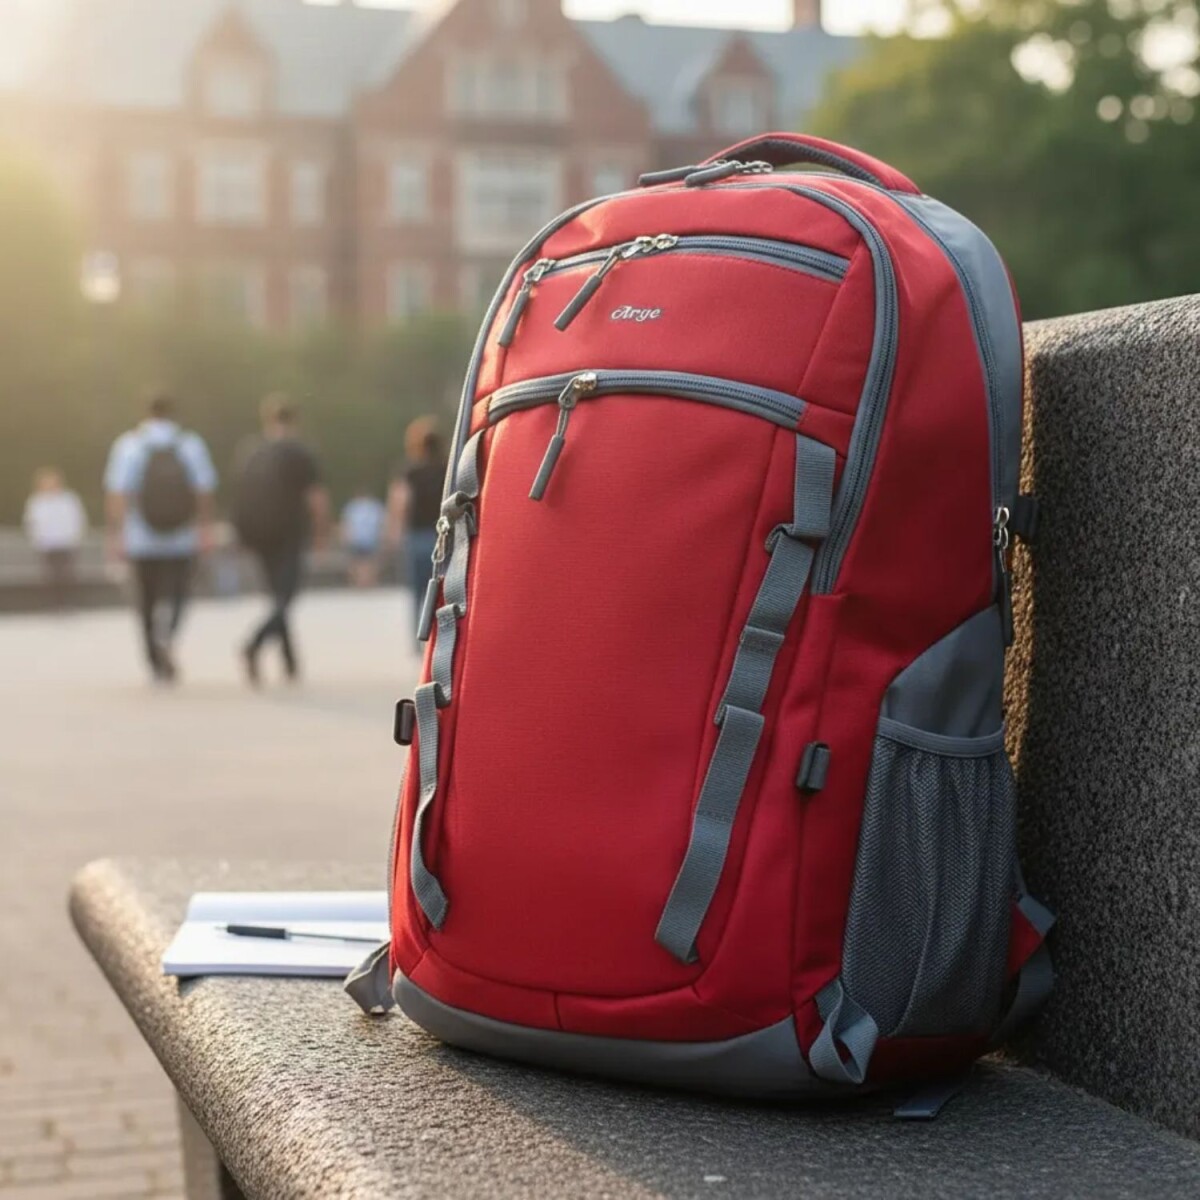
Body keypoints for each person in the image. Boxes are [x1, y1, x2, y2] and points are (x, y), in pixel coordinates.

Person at [104, 393, 217, 682]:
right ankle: (168, 635)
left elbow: (118, 494)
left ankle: (153, 658)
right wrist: (205, 529)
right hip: (181, 535)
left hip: (141, 537)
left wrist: (116, 534)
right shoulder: (189, 444)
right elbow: (203, 491)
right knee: (179, 593)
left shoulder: (129, 445)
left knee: (145, 600)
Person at [233, 394, 329, 686]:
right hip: (289, 534)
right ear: (294, 420)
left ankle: (290, 661)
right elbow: (316, 498)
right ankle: (254, 643)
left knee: (278, 597)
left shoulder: (252, 452)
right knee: (285, 599)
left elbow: (240, 495)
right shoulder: (299, 452)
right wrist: (321, 534)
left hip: (259, 535)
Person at [386, 416, 448, 642]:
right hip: (443, 537)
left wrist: (394, 531)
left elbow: (400, 502)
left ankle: (419, 636)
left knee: (417, 589)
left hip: (416, 535)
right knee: (442, 588)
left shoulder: (409, 471)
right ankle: (440, 635)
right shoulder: (447, 468)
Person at [23, 468, 87, 608]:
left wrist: (76, 538)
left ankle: (68, 602)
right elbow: (31, 523)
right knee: (50, 576)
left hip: (66, 543)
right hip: (46, 545)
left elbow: (77, 519)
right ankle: (54, 603)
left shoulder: (69, 500)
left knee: (67, 575)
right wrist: (36, 540)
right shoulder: (36, 502)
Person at [340, 486, 386, 589]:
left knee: (359, 562)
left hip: (360, 539)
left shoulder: (352, 506)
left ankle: (360, 582)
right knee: (368, 562)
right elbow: (381, 524)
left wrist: (345, 537)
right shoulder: (375, 506)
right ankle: (368, 582)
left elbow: (346, 525)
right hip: (369, 539)